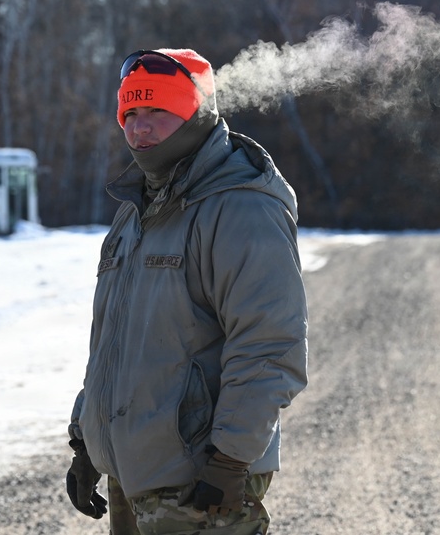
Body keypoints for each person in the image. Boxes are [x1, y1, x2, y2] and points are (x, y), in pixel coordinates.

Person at [65, 48, 309, 535]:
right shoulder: (134, 212)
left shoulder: (240, 207)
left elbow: (270, 343)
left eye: (157, 111)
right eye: (130, 113)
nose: (140, 127)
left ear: (195, 114)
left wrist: (231, 459)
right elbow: (112, 343)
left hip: (202, 476)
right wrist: (87, 443)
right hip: (135, 472)